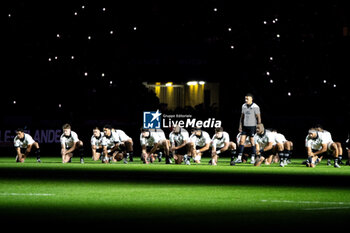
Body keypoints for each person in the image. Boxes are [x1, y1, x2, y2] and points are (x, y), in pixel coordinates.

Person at [236, 93, 261, 164]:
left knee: (252, 141)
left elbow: (258, 117)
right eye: (245, 99)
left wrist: (258, 127)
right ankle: (239, 158)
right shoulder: (243, 106)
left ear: (251, 99)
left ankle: (252, 158)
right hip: (244, 126)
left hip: (252, 126)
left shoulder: (255, 107)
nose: (246, 100)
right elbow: (242, 117)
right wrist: (240, 126)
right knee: (241, 141)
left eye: (247, 99)